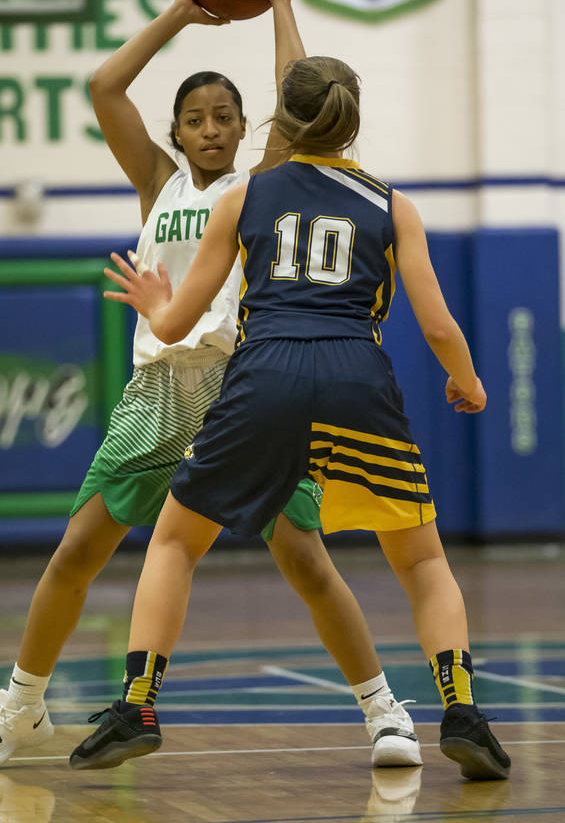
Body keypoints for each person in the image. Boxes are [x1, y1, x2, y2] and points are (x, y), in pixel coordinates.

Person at [0, 0, 420, 773]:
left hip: (247, 386)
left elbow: (298, 98)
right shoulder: (157, 183)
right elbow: (103, 87)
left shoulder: (266, 184)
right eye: (195, 119)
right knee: (78, 551)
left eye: (223, 119)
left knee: (305, 560)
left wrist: (278, 3)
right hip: (161, 390)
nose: (209, 129)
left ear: (247, 129)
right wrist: (180, 10)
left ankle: (384, 711)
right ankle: (20, 704)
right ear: (177, 131)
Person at [70, 54, 512, 783]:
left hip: (264, 373)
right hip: (355, 376)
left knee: (175, 543)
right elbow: (436, 326)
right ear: (351, 122)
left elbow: (177, 322)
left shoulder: (244, 197)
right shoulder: (392, 204)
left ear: (278, 124)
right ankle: (460, 711)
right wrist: (466, 382)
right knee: (423, 559)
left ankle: (136, 706)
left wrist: (153, 303)